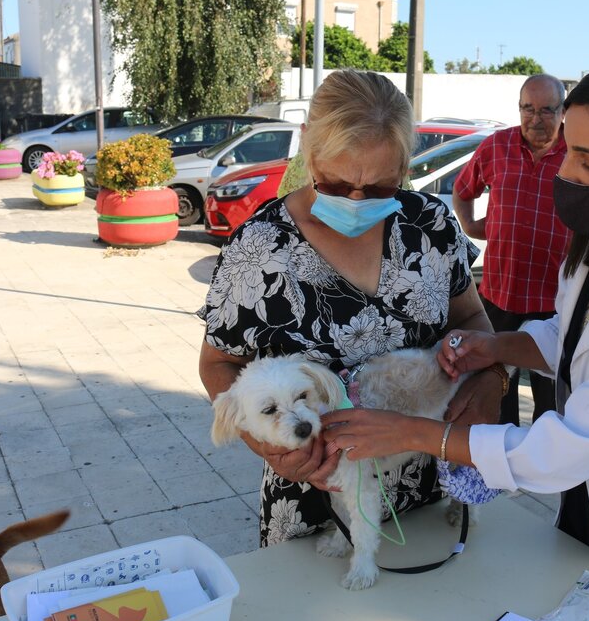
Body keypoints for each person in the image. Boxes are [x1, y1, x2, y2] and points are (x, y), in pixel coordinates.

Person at [324, 56, 589, 621]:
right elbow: (570, 338)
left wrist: (410, 432)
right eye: (570, 148)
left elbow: (559, 450)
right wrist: (496, 347)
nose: (565, 173)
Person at [198, 70, 504, 546]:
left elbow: (472, 320)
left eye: (381, 187)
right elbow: (219, 362)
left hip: (430, 487)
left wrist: (490, 379)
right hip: (317, 499)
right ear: (309, 151)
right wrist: (268, 444)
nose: (357, 200)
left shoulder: (431, 225)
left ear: (405, 166)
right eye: (337, 184)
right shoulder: (259, 246)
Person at [453, 74, 572, 426]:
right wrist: (472, 226)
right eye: (528, 109)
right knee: (494, 391)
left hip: (554, 300)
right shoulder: (496, 146)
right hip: (500, 294)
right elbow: (463, 190)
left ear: (562, 111)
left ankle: (547, 466)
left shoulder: (575, 154)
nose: (536, 119)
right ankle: (500, 464)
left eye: (547, 110)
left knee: (551, 400)